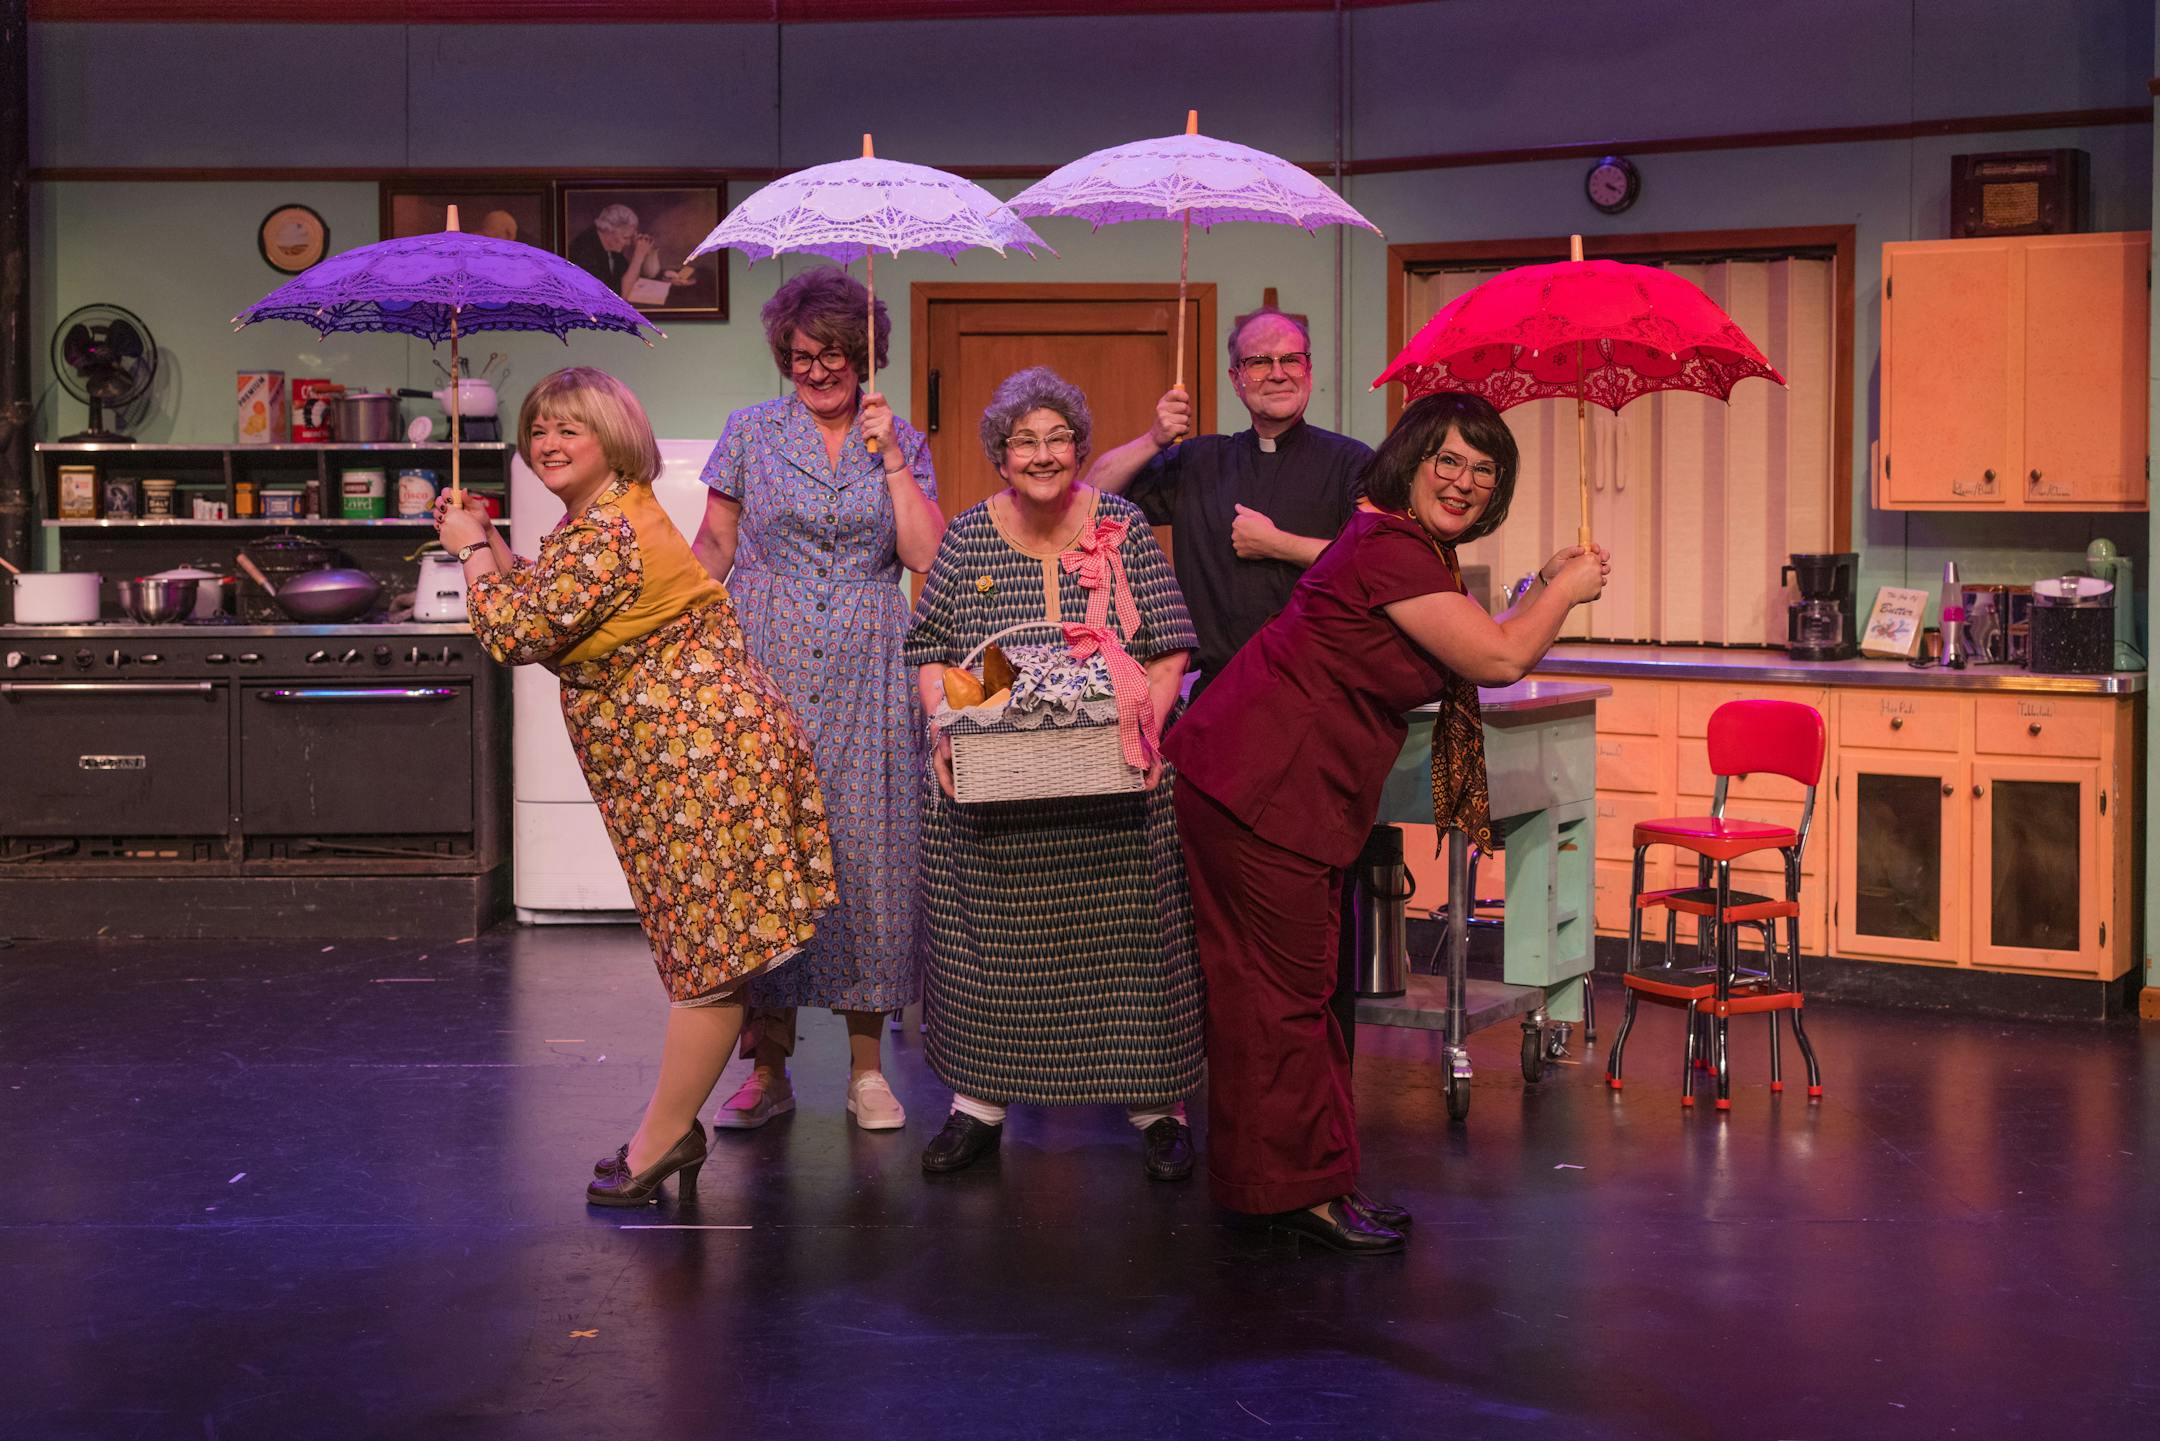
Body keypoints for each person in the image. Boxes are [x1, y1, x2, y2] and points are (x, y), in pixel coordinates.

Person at [1166, 392, 1610, 1254]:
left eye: (1485, 470)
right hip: (1263, 787)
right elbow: (1497, 656)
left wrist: (1537, 589)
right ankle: (1297, 1191)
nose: (1465, 480)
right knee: (1286, 998)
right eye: (1448, 459)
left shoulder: (1407, 550)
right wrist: (1564, 590)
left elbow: (1471, 634)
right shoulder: (1389, 545)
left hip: (1271, 785)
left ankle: (1296, 1181)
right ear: (1409, 458)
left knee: (1296, 994)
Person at [436, 366, 837, 1207]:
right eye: (537, 427)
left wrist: (472, 547)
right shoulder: (599, 522)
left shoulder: (604, 533)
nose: (547, 442)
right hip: (684, 762)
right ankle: (672, 1129)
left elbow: (511, 633)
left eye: (567, 428)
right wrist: (490, 543)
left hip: (700, 764)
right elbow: (545, 613)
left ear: (612, 437)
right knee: (708, 957)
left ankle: (664, 1138)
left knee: (710, 966)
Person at [902, 366, 1202, 1180]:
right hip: (998, 788)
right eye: (1024, 441)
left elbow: (1169, 643)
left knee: (1133, 947)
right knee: (990, 950)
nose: (1042, 454)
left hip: (1112, 779)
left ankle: (1157, 1109)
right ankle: (978, 1105)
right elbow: (932, 650)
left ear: (1079, 447)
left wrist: (1144, 730)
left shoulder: (1124, 527)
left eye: (1058, 438)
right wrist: (947, 735)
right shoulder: (966, 538)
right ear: (1001, 455)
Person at [691, 266, 944, 1133]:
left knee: (870, 858)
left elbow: (924, 558)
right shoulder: (750, 434)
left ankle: (868, 1070)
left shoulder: (899, 438)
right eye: (801, 356)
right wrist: (673, 628)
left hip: (874, 666)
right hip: (768, 658)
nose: (816, 370)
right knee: (772, 858)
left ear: (864, 356)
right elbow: (715, 543)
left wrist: (893, 460)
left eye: (834, 355)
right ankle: (767, 1066)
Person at [1083, 306, 1370, 699]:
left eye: (1291, 359)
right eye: (1258, 362)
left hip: (1319, 694)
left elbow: (1373, 566)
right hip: (1217, 694)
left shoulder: (1352, 462)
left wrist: (1278, 544)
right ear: (1236, 379)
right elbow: (1095, 495)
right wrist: (1153, 438)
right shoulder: (1199, 462)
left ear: (1309, 370)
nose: (1277, 372)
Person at [567, 203, 686, 302]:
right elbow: (619, 295)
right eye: (625, 238)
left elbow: (631, 277)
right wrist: (638, 255)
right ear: (608, 230)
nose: (629, 243)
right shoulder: (585, 251)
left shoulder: (610, 248)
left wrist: (650, 253)